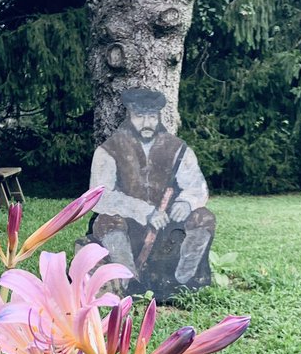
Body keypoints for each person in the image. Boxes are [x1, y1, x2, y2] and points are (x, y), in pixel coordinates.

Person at [89, 87, 215, 294]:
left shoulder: (178, 149)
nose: (147, 123)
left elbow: (198, 187)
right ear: (129, 115)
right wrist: (145, 212)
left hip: (169, 226)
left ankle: (183, 280)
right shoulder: (108, 150)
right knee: (106, 221)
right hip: (129, 225)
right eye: (140, 116)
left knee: (204, 217)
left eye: (152, 116)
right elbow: (99, 196)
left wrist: (186, 202)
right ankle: (129, 282)